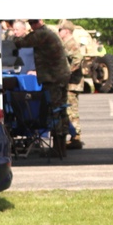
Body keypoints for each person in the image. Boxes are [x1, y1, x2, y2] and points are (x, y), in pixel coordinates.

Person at [15, 18, 71, 149]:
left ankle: (58, 146)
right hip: (60, 76)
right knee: (61, 109)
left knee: (54, 110)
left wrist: (12, 37)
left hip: (53, 78)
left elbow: (22, 42)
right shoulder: (48, 32)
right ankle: (61, 144)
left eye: (31, 23)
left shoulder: (41, 34)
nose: (31, 26)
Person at [57, 19, 85, 150]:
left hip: (72, 84)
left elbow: (78, 59)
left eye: (60, 30)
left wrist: (68, 73)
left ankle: (76, 137)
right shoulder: (66, 43)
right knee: (69, 109)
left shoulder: (71, 43)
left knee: (72, 110)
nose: (59, 32)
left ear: (66, 31)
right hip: (70, 83)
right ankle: (73, 136)